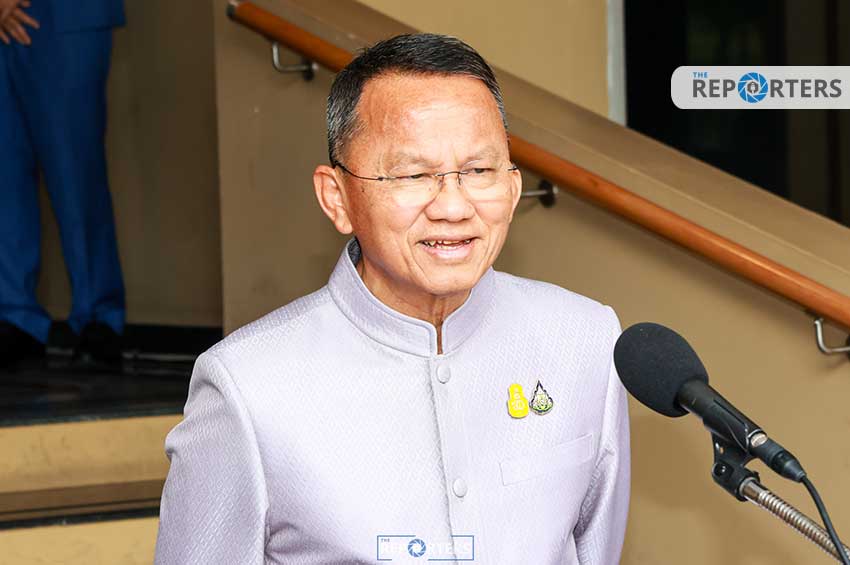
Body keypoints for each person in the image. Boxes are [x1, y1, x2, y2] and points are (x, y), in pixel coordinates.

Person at [155, 33, 630, 564]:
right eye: (412, 174)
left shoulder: (585, 341)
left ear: (513, 189)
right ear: (337, 198)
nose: (453, 207)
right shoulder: (247, 387)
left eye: (478, 171)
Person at [0, 0, 126, 367]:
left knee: (75, 168)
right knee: (5, 174)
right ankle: (14, 315)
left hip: (65, 13)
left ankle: (99, 316)